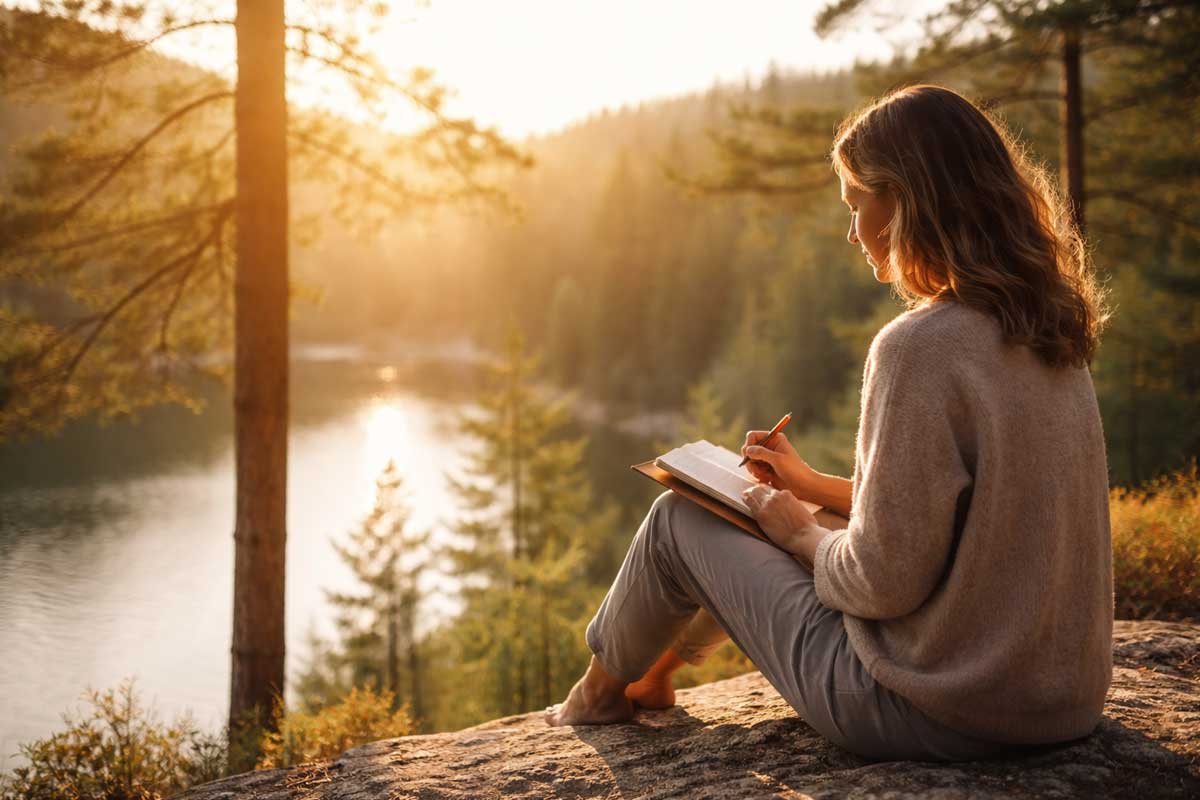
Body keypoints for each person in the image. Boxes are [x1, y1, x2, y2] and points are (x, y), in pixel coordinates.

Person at [543, 84, 1113, 762]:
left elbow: (878, 582)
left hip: (934, 710)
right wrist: (811, 486)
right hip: (1059, 704)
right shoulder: (1047, 331)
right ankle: (655, 676)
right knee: (769, 513)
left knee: (680, 520)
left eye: (855, 205)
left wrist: (799, 533)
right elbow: (971, 517)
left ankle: (599, 694)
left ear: (904, 200)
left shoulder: (917, 348)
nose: (851, 232)